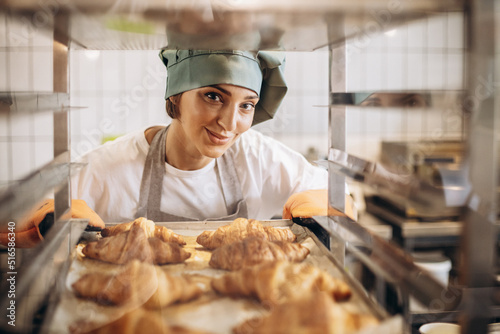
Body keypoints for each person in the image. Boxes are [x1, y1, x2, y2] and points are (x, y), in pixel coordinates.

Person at [3, 49, 351, 247]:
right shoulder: (113, 165)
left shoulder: (257, 155)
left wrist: (318, 207)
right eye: (213, 96)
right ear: (175, 97)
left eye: (247, 105)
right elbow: (12, 224)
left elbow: (339, 196)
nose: (230, 124)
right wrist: (50, 219)